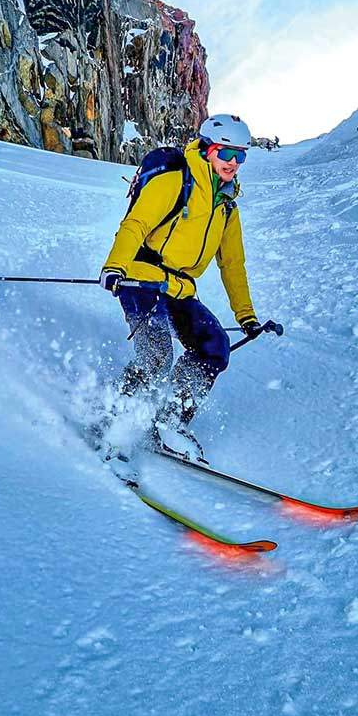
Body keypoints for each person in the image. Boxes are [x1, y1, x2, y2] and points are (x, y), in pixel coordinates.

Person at [99, 113, 260, 462]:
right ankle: (111, 422)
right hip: (141, 277)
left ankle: (171, 419)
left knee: (215, 346)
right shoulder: (176, 180)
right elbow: (136, 224)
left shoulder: (227, 207)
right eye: (226, 153)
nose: (233, 162)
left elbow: (232, 264)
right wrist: (115, 266)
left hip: (179, 289)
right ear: (207, 150)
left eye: (240, 156)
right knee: (157, 355)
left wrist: (246, 315)